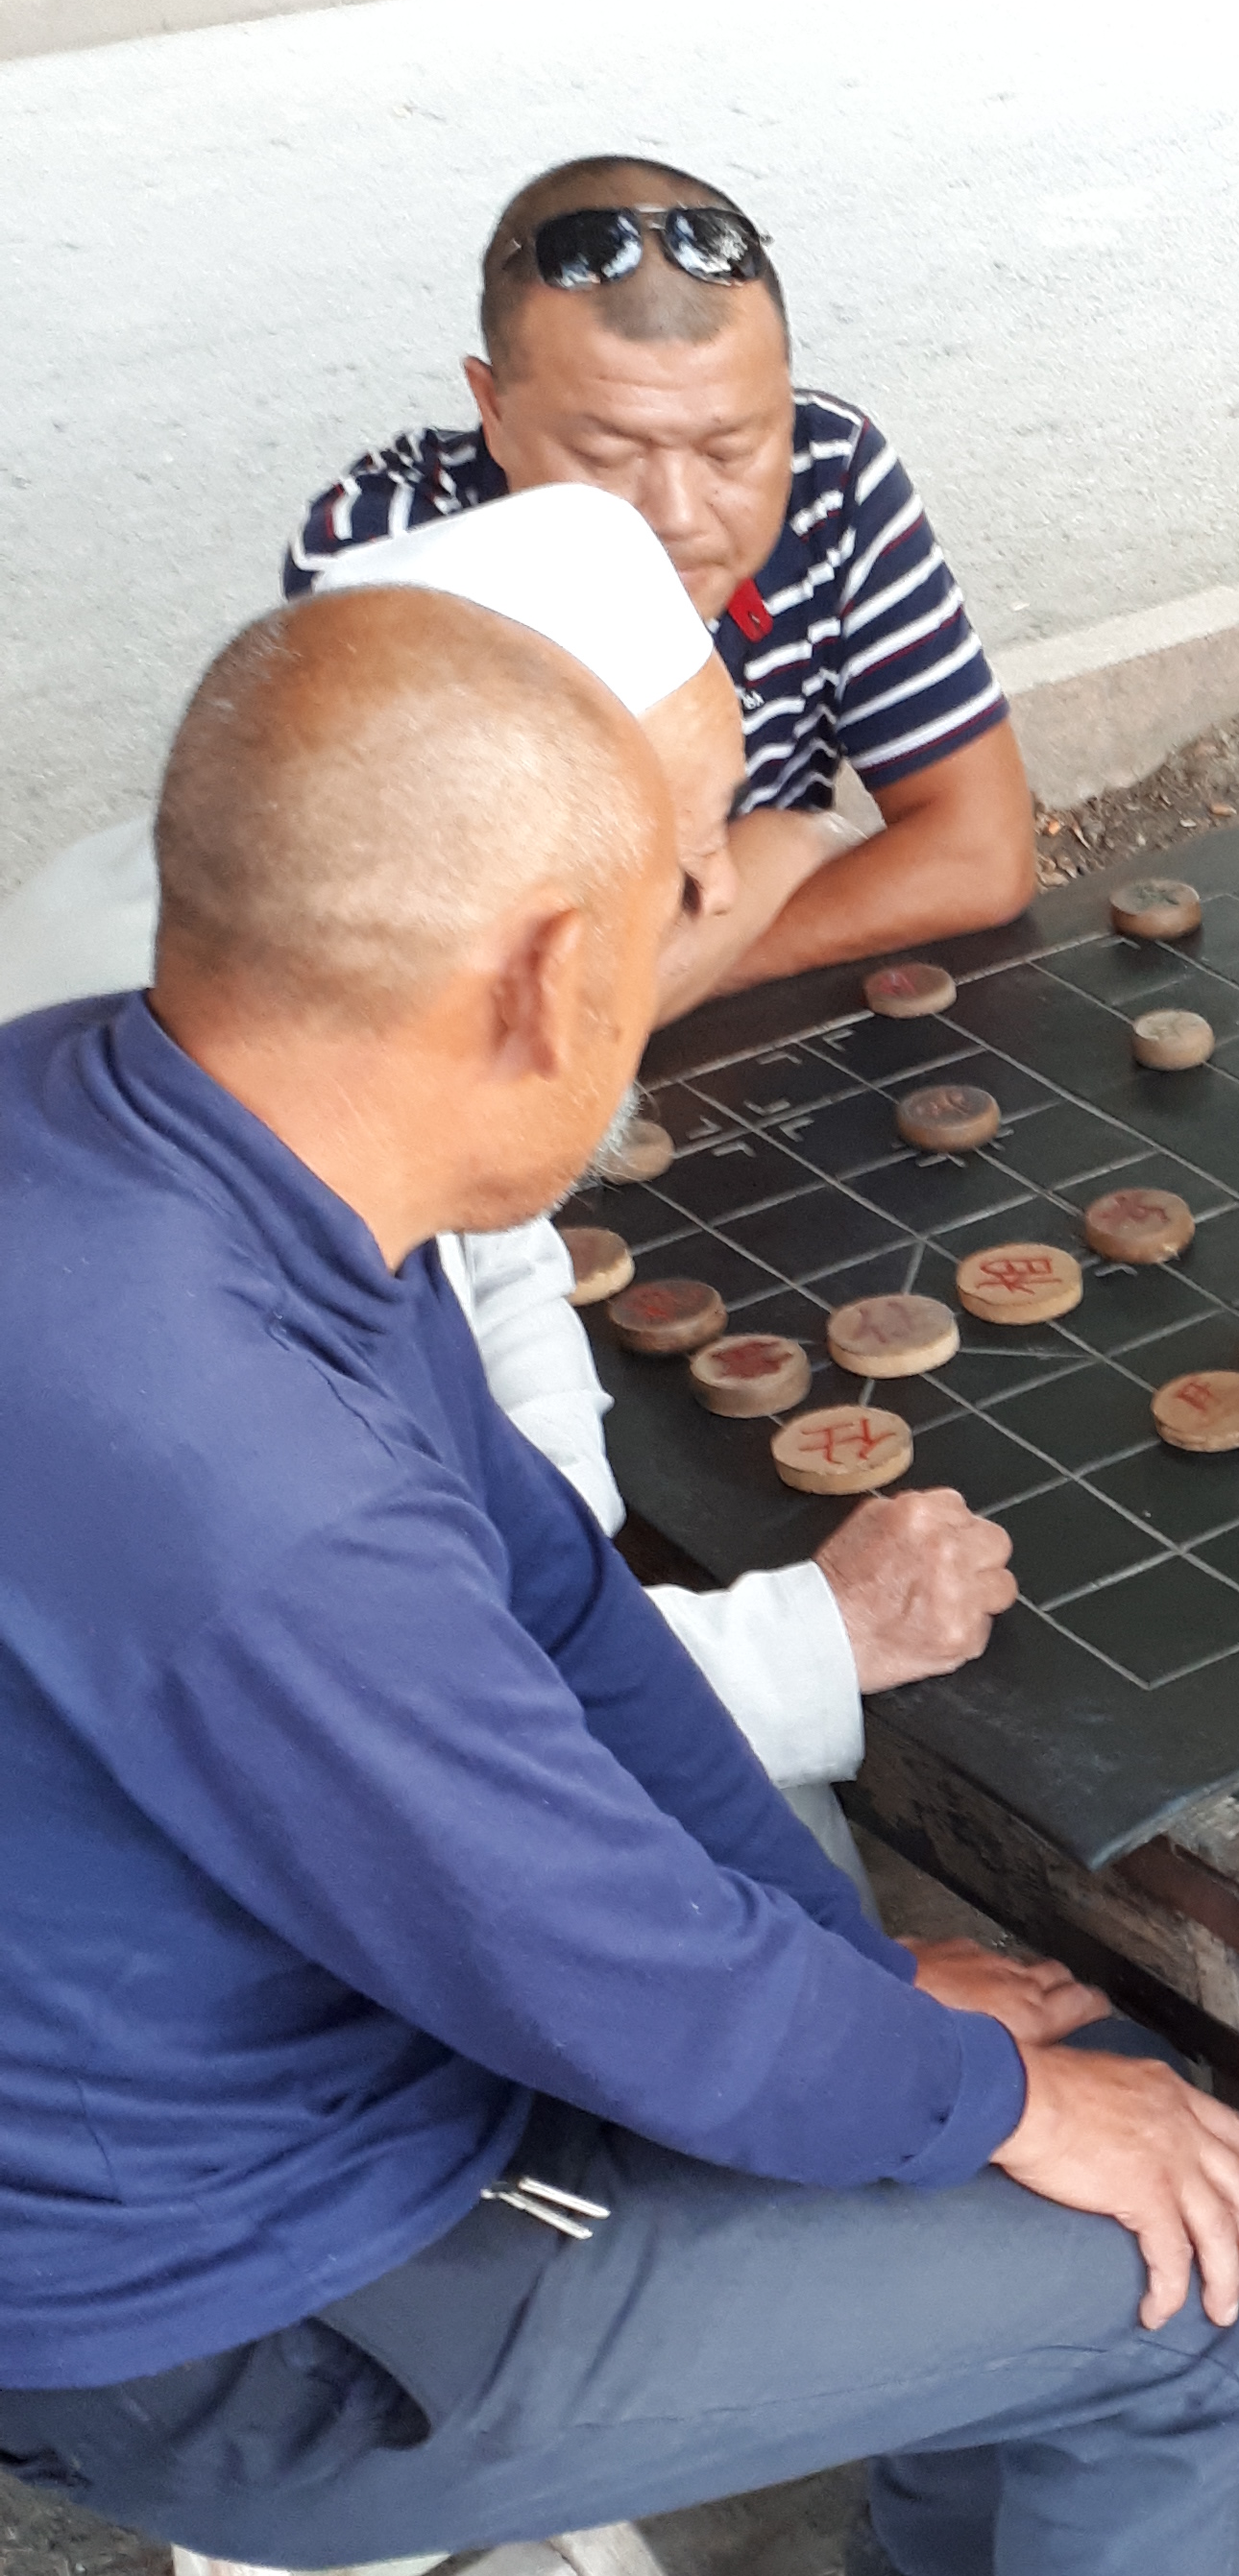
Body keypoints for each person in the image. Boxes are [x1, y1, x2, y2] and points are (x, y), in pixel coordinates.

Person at [0, 590, 1239, 2576]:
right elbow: (602, 1982)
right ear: (551, 976)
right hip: (244, 2300)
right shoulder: (239, 1477)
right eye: (678, 912)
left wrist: (887, 1994)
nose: (698, 955)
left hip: (242, 2060)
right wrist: (971, 2093)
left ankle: (940, 2527)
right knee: (1189, 2245)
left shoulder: (160, 1131)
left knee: (1034, 2058)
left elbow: (564, 1617)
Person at [0, 488, 1013, 1868]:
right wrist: (810, 1642)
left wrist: (565, 1547)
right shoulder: (229, 1176)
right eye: (686, 854)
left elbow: (502, 1255)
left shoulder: (340, 957)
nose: (721, 893)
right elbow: (423, 1765)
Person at [283, 156, 1037, 976]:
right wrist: (784, 851)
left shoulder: (829, 474)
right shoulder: (382, 555)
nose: (676, 515)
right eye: (608, 454)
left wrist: (669, 972)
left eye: (729, 449)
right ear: (493, 410)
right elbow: (459, 981)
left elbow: (980, 858)